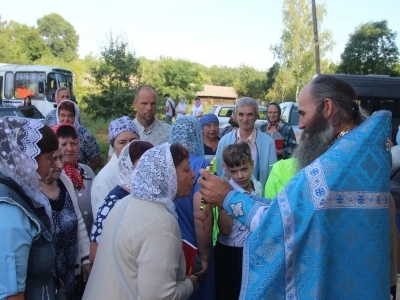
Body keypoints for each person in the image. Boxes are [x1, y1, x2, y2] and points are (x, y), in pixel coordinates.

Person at [198, 75, 392, 299]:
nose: (299, 124)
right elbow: (296, 211)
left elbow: (281, 224)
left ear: (327, 107)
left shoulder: (332, 167)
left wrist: (228, 197)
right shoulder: (358, 156)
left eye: (302, 113)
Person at [83, 143, 198, 299]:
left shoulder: (125, 202)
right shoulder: (163, 223)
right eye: (186, 170)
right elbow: (159, 296)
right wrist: (190, 283)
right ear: (166, 176)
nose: (193, 174)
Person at [0, 117, 59, 299]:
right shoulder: (10, 211)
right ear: (26, 158)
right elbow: (11, 294)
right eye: (48, 158)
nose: (53, 165)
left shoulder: (25, 192)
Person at [169, 116, 215, 300]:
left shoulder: (165, 164)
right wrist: (204, 257)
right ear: (197, 135)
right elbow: (202, 215)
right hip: (195, 247)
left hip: (170, 245)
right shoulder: (205, 167)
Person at [90, 140, 154, 262]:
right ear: (128, 166)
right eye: (143, 164)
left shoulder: (150, 195)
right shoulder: (115, 200)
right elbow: (95, 252)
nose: (148, 170)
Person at [40, 148, 91, 300]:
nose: (60, 165)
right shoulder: (31, 190)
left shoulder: (65, 181)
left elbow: (78, 219)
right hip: (50, 274)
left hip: (72, 269)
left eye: (61, 158)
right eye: (53, 159)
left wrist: (85, 258)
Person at [215, 142, 262, 300]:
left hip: (251, 250)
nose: (240, 176)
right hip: (231, 253)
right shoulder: (226, 191)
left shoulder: (257, 185)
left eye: (244, 169)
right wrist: (225, 201)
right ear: (225, 168)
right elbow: (225, 229)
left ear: (252, 164)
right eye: (234, 171)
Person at [216, 97, 277, 191]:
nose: (245, 119)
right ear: (235, 116)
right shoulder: (224, 141)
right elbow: (220, 173)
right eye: (241, 114)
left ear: (256, 116)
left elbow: (272, 176)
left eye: (249, 114)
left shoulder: (268, 143)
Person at [91, 116, 140, 217]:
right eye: (122, 142)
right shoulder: (103, 180)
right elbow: (102, 220)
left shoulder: (145, 169)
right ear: (113, 147)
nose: (129, 146)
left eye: (133, 140)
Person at [52, 123, 96, 235]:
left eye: (74, 143)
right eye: (63, 144)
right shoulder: (53, 175)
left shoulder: (87, 171)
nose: (70, 148)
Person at [56, 100, 101, 171]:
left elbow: (96, 159)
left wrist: (84, 174)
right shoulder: (53, 133)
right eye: (63, 115)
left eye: (70, 116)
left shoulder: (85, 135)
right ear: (57, 116)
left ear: (76, 117)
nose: (66, 119)